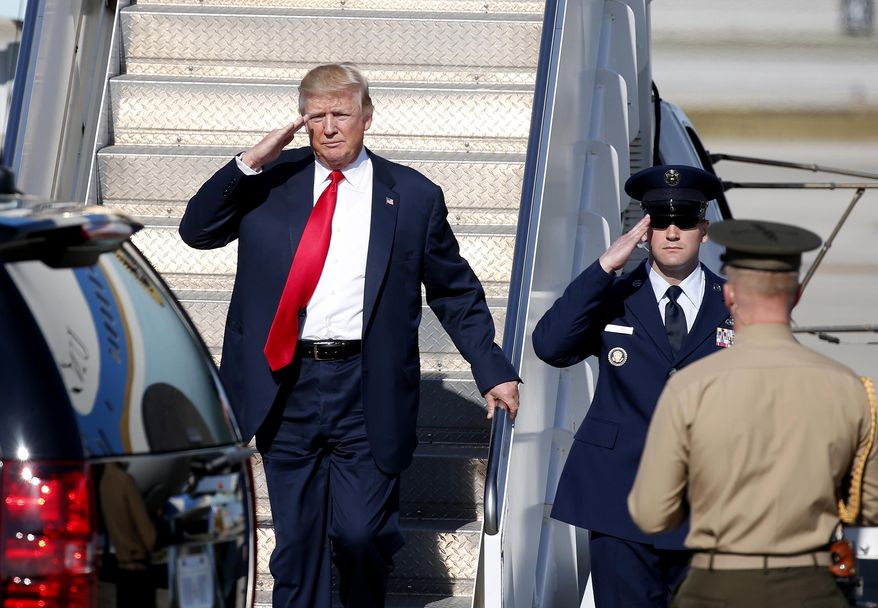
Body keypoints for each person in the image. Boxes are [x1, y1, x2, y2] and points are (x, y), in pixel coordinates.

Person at [179, 62, 519, 608]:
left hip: (366, 387)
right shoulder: (269, 180)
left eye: (342, 114)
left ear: (367, 118)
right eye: (317, 116)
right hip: (284, 383)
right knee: (297, 547)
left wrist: (492, 368)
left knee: (363, 537)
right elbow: (197, 232)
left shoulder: (412, 194)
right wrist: (247, 163)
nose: (330, 127)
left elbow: (455, 292)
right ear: (302, 121)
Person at [628, 219, 878, 607]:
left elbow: (651, 514)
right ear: (796, 294)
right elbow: (869, 506)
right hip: (811, 586)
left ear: (729, 295)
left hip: (716, 586)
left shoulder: (690, 387)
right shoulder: (850, 388)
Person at [532, 164, 733, 607]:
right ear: (645, 230)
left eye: (685, 221)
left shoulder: (737, 304)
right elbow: (550, 346)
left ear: (705, 229)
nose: (673, 231)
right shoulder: (615, 297)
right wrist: (606, 266)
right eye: (660, 221)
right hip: (618, 494)